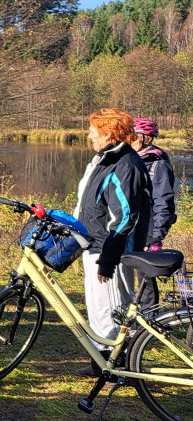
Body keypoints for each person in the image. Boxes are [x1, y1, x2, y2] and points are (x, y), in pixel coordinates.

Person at [74, 108, 151, 377]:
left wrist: (108, 259)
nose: (89, 135)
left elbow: (125, 217)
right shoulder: (106, 159)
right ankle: (102, 362)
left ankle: (117, 368)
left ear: (107, 133)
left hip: (111, 249)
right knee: (98, 308)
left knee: (112, 309)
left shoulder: (125, 165)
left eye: (94, 131)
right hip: (95, 244)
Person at [131, 117, 176, 309]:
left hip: (148, 230)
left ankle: (148, 319)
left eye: (133, 136)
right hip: (134, 226)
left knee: (145, 277)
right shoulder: (134, 160)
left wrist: (157, 237)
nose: (129, 140)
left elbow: (164, 202)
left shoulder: (157, 164)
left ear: (145, 139)